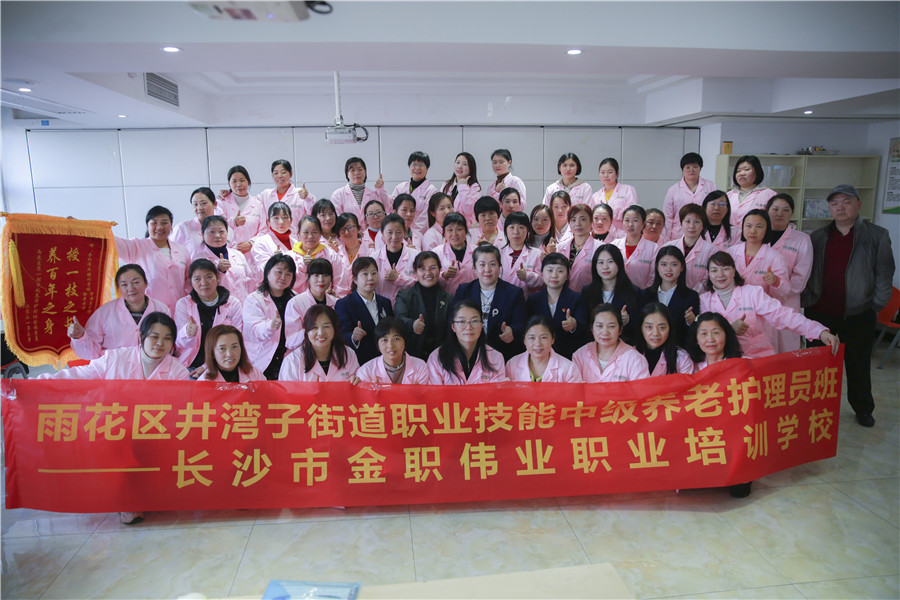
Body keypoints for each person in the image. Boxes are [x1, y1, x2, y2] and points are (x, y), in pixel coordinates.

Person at [803, 184, 895, 428]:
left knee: (858, 364)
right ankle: (816, 408)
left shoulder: (876, 235)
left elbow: (885, 274)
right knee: (817, 366)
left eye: (846, 202)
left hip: (858, 313)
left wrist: (875, 305)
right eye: (835, 203)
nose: (840, 207)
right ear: (829, 208)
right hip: (820, 312)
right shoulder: (818, 236)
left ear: (858, 205)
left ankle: (863, 408)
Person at [701, 251, 839, 359]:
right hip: (722, 361)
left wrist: (819, 332)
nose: (720, 274)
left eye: (725, 269)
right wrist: (730, 330)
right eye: (714, 270)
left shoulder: (752, 293)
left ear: (733, 271)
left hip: (757, 358)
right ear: (709, 274)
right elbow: (702, 336)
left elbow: (784, 315)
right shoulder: (703, 301)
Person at [685, 312, 753, 498]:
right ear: (696, 339)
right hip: (702, 435)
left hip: (734, 438)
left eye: (716, 332)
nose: (710, 339)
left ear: (726, 335)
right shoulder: (690, 368)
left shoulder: (743, 365)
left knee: (740, 491)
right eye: (703, 334)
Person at [46, 312, 188, 381]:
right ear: (141, 336)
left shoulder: (179, 373)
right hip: (114, 423)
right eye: (154, 337)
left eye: (167, 338)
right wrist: (37, 383)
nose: (160, 343)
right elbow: (76, 376)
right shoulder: (114, 359)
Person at [68, 264, 170, 360]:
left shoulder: (161, 309)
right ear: (119, 288)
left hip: (152, 367)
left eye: (136, 282)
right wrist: (80, 337)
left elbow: (168, 344)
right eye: (124, 284)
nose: (131, 288)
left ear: (146, 283)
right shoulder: (104, 313)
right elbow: (90, 353)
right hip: (113, 368)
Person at [452, 244, 527, 360]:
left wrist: (511, 331)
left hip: (502, 353)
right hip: (468, 353)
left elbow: (521, 324)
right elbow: (452, 320)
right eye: (482, 265)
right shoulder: (464, 291)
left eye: (492, 264)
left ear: (499, 266)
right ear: (474, 268)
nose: (487, 270)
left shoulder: (514, 293)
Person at [114, 205, 190, 314]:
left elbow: (189, 281)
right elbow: (112, 243)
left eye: (164, 223)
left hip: (178, 311)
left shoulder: (182, 250)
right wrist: (99, 229)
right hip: (151, 312)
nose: (159, 227)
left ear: (171, 225)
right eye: (154, 223)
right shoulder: (137, 246)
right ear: (148, 225)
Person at [174, 259, 243, 372]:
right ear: (191, 282)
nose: (204, 283)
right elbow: (179, 344)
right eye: (197, 279)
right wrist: (187, 333)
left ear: (218, 277)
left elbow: (236, 341)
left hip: (222, 365)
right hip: (189, 365)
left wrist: (207, 367)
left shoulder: (233, 304)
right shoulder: (183, 304)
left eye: (209, 277)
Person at [767, 193, 813, 352]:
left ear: (792, 213)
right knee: (762, 348)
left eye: (785, 210)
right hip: (761, 300)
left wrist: (781, 290)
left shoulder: (802, 239)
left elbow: (801, 277)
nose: (779, 214)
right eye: (775, 209)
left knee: (786, 347)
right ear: (767, 211)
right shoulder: (757, 235)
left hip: (787, 301)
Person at [427, 300, 507, 384]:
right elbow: (434, 391)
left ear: (481, 325)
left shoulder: (495, 357)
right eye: (462, 321)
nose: (468, 327)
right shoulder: (437, 358)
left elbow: (496, 392)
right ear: (453, 326)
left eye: (474, 321)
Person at [242, 254, 296, 379]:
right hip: (262, 356)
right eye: (279, 272)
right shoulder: (254, 299)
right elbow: (253, 330)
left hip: (288, 357)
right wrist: (270, 326)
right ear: (267, 273)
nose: (283, 277)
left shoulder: (296, 299)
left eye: (288, 274)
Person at [526, 252, 587, 359]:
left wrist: (574, 325)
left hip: (568, 354)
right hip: (540, 354)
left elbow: (584, 326)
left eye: (560, 271)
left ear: (567, 275)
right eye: (550, 270)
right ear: (542, 273)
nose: (554, 275)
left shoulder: (577, 298)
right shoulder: (533, 299)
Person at [579, 244, 643, 345]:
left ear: (619, 263)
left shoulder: (633, 292)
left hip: (624, 346)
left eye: (610, 262)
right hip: (594, 345)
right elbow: (584, 323)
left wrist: (627, 320)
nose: (605, 267)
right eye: (601, 262)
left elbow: (639, 325)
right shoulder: (588, 291)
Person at [334, 257, 394, 365]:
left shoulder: (385, 302)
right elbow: (341, 335)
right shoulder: (344, 304)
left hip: (385, 360)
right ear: (355, 279)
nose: (370, 278)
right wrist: (353, 337)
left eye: (374, 273)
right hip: (360, 362)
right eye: (365, 274)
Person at [278, 304, 360, 382]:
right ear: (306, 331)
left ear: (335, 328)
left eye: (326, 326)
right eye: (314, 327)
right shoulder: (292, 361)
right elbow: (286, 391)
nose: (321, 333)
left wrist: (356, 381)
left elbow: (357, 384)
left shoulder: (348, 354)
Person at [394, 251, 451, 360]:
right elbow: (399, 319)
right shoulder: (404, 295)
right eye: (422, 269)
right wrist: (412, 324)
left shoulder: (448, 298)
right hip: (412, 356)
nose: (428, 273)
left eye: (433, 268)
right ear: (416, 272)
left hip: (441, 356)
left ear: (440, 270)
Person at [573, 304, 650, 382]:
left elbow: (642, 389)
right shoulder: (580, 355)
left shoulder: (635, 359)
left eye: (611, 326)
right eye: (599, 326)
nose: (605, 332)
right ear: (592, 329)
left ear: (620, 330)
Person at [727, 209, 789, 303]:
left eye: (759, 227)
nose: (753, 231)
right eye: (748, 226)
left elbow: (785, 292)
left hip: (761, 307)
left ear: (766, 229)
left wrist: (775, 281)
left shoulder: (775, 257)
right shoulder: (731, 252)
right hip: (733, 304)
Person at [643, 246, 699, 347]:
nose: (668, 269)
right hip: (650, 348)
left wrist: (690, 322)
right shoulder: (645, 295)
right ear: (657, 267)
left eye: (674, 264)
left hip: (678, 349)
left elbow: (692, 335)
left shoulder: (691, 296)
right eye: (664, 264)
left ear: (682, 267)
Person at [191, 215, 255, 303]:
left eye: (221, 231)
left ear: (227, 232)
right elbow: (200, 289)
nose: (217, 236)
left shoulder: (238, 255)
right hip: (217, 308)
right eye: (212, 232)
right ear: (202, 235)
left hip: (243, 305)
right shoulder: (198, 259)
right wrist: (218, 270)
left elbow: (250, 282)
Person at [505, 315, 582, 382]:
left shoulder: (569, 369)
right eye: (532, 338)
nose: (538, 344)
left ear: (553, 339)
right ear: (524, 340)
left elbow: (576, 394)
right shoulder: (511, 365)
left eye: (543, 337)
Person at [357, 317, 430, 384]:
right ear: (378, 344)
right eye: (384, 340)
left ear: (405, 341)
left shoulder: (420, 367)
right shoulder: (365, 372)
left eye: (396, 339)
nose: (390, 346)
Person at [284, 257, 337, 349]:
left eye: (325, 275)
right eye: (316, 275)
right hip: (304, 352)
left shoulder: (336, 302)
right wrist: (312, 331)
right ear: (308, 277)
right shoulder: (295, 303)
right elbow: (291, 341)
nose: (321, 280)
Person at [663, 152, 717, 242]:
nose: (691, 170)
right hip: (678, 233)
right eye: (688, 167)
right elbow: (668, 217)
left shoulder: (711, 186)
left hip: (704, 232)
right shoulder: (673, 190)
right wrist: (665, 240)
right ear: (682, 169)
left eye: (695, 167)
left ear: (700, 168)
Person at [662, 203, 716, 291]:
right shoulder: (668, 247)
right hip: (669, 294)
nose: (692, 226)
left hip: (700, 296)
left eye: (697, 222)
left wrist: (691, 295)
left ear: (703, 225)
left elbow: (709, 279)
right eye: (687, 221)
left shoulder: (712, 250)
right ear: (681, 224)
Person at [216, 165, 265, 256]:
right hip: (229, 253)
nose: (238, 184)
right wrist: (233, 222)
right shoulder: (222, 202)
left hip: (253, 254)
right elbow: (216, 226)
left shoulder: (258, 204)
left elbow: (264, 230)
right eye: (234, 181)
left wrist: (251, 243)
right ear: (229, 184)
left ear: (248, 182)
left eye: (242, 180)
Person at [636, 303, 694, 376]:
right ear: (641, 328)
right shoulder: (630, 355)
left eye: (661, 328)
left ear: (670, 328)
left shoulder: (682, 358)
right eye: (649, 327)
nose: (655, 333)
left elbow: (687, 383)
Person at [292, 215, 346, 294]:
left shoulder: (331, 256)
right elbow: (289, 284)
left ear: (320, 234)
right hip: (297, 300)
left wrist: (333, 296)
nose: (310, 236)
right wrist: (303, 267)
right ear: (298, 234)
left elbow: (341, 284)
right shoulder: (290, 257)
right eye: (306, 232)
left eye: (314, 232)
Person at [390, 151, 437, 235]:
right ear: (409, 166)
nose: (417, 168)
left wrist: (411, 234)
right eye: (414, 164)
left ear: (427, 168)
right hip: (397, 233)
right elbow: (391, 209)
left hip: (419, 235)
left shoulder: (432, 191)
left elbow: (425, 219)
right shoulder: (400, 187)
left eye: (421, 165)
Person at [611, 205, 658, 289]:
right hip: (617, 292)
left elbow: (653, 277)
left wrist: (645, 293)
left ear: (643, 224)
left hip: (643, 294)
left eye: (635, 220)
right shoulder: (614, 245)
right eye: (627, 220)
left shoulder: (653, 248)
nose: (630, 224)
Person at [556, 203, 600, 293]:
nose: (578, 224)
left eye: (582, 219)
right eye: (573, 220)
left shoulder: (600, 248)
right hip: (564, 296)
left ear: (591, 222)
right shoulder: (560, 247)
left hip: (589, 297)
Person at [373, 214, 416, 303]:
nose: (394, 237)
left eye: (398, 232)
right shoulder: (374, 258)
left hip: (408, 306)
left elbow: (420, 283)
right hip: (381, 307)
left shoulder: (415, 256)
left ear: (404, 233)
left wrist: (399, 278)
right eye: (390, 232)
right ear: (382, 233)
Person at [198, 324, 264, 382]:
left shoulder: (255, 374)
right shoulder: (204, 382)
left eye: (234, 347)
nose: (229, 354)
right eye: (222, 348)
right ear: (212, 353)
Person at [258, 159, 314, 227]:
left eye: (283, 172)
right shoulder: (265, 195)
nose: (279, 176)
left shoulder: (300, 194)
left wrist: (307, 198)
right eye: (276, 173)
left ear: (291, 174)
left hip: (294, 233)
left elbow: (312, 214)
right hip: (271, 233)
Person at [331, 157, 388, 223]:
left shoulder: (373, 195)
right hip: (348, 229)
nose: (356, 173)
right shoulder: (338, 195)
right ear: (347, 174)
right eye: (352, 170)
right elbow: (337, 219)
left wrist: (380, 190)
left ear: (365, 172)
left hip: (370, 229)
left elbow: (384, 211)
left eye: (360, 169)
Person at [249, 202, 300, 275]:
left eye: (285, 217)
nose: (281, 222)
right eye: (276, 218)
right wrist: (274, 260)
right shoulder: (261, 242)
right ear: (268, 221)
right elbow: (261, 271)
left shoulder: (296, 243)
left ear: (291, 220)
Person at [171, 187, 226, 255]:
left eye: (203, 203)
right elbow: (172, 253)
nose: (199, 208)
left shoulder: (224, 228)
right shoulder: (182, 228)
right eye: (195, 204)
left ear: (215, 204)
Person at [727, 155, 777, 230]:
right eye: (738, 171)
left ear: (757, 171)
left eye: (746, 169)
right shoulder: (729, 195)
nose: (742, 173)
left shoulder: (770, 195)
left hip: (757, 235)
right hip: (730, 236)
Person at [500, 211, 542, 296]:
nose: (516, 232)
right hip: (501, 299)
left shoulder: (537, 254)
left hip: (526, 301)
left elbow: (542, 282)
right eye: (512, 227)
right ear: (505, 230)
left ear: (528, 230)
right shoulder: (498, 253)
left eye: (521, 227)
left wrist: (527, 277)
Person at [433, 212, 476, 295]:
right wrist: (444, 275)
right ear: (444, 233)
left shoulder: (477, 252)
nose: (454, 234)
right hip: (447, 299)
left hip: (472, 298)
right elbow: (430, 277)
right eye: (450, 230)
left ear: (466, 231)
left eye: (459, 229)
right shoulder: (436, 253)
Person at [591, 158, 638, 232]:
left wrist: (609, 211)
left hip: (622, 233)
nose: (606, 175)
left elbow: (632, 214)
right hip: (602, 234)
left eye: (610, 172)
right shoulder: (596, 196)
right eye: (602, 172)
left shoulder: (628, 190)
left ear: (617, 173)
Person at [442, 152, 482, 226]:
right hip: (448, 226)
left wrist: (463, 186)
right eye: (457, 162)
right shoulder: (446, 184)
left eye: (464, 164)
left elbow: (469, 210)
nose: (459, 166)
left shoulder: (475, 187)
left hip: (466, 227)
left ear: (471, 168)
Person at [334, 212, 371, 277]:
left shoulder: (370, 250)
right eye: (342, 229)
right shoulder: (336, 253)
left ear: (358, 229)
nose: (346, 232)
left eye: (350, 227)